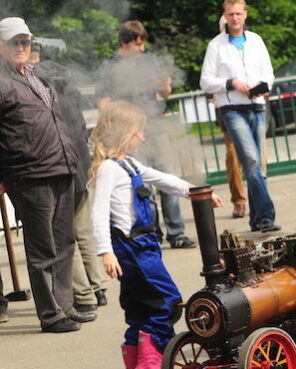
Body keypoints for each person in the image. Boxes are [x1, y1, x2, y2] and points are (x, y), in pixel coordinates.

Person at [90, 101, 223, 369]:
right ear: (126, 133)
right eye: (140, 132)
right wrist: (105, 250)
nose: (143, 137)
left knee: (139, 309)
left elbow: (165, 181)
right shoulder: (110, 170)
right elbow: (98, 212)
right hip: (134, 249)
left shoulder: (130, 165)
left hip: (139, 248)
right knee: (166, 301)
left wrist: (197, 193)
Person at [0, 17, 95, 333]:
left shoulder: (38, 74)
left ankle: (65, 306)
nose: (22, 47)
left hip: (62, 165)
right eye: (15, 42)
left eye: (26, 41)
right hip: (29, 173)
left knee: (65, 241)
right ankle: (50, 314)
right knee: (42, 248)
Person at [96, 20, 197, 249]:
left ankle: (177, 233)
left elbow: (163, 93)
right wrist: (113, 131)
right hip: (130, 135)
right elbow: (103, 103)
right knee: (143, 187)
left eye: (143, 44)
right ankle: (152, 233)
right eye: (137, 44)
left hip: (154, 127)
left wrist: (166, 86)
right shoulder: (109, 66)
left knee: (168, 176)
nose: (142, 49)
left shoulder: (149, 61)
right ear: (124, 42)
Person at [31, 41, 108, 312]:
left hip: (59, 165)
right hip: (80, 161)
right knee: (83, 231)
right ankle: (98, 288)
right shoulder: (66, 77)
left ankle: (83, 296)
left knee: (63, 236)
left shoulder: (35, 82)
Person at [200, 0, 280, 233]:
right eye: (230, 14)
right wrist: (231, 83)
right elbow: (205, 81)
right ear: (225, 16)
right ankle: (266, 217)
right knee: (252, 162)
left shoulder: (255, 40)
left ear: (245, 15)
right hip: (232, 108)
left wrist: (264, 86)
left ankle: (257, 220)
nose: (235, 18)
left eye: (238, 14)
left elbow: (268, 72)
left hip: (256, 105)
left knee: (257, 167)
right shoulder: (216, 45)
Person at [216, 14, 247, 219]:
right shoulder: (217, 49)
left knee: (256, 161)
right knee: (233, 155)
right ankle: (239, 201)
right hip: (227, 109)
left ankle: (260, 203)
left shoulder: (251, 42)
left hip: (253, 107)